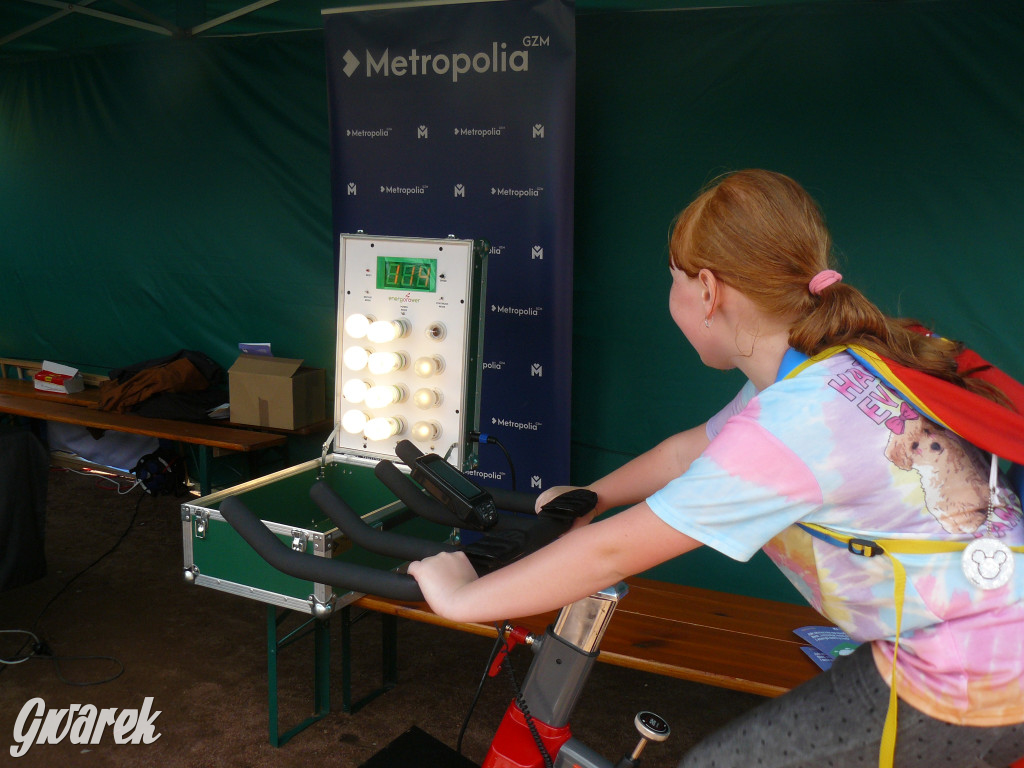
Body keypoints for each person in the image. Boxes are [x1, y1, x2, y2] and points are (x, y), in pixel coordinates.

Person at [408, 169, 1024, 767]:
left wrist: (463, 600)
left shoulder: (794, 422)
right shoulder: (831, 365)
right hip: (975, 628)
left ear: (707, 291)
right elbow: (688, 452)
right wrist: (594, 496)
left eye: (672, 280)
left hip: (978, 674)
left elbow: (611, 555)